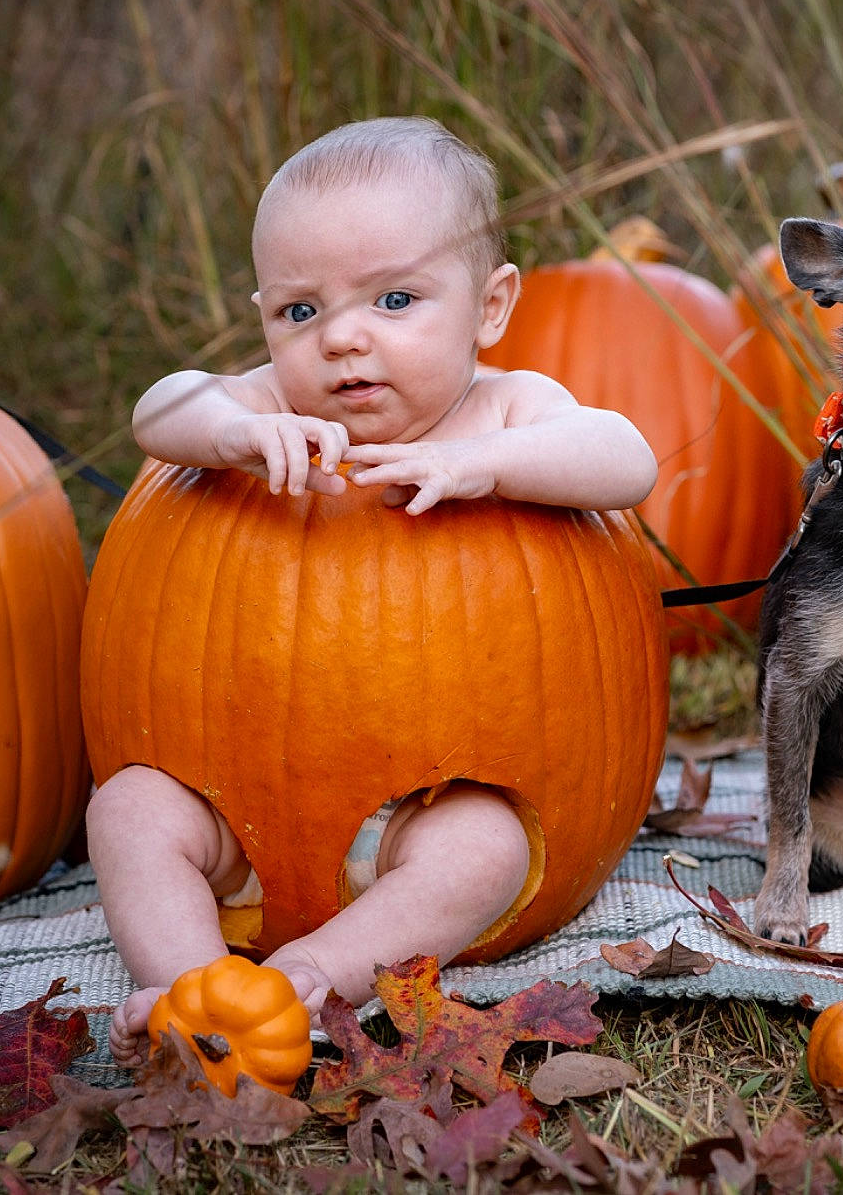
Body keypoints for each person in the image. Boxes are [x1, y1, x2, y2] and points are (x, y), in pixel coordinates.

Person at [92, 117, 658, 1065]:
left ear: (490, 306)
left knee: (486, 848)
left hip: (418, 816)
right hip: (244, 818)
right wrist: (228, 434)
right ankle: (191, 987)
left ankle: (316, 973)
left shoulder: (508, 409)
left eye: (395, 299)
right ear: (265, 315)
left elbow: (626, 458)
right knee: (127, 808)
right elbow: (163, 406)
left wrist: (485, 464)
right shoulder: (267, 405)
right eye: (301, 312)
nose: (344, 339)